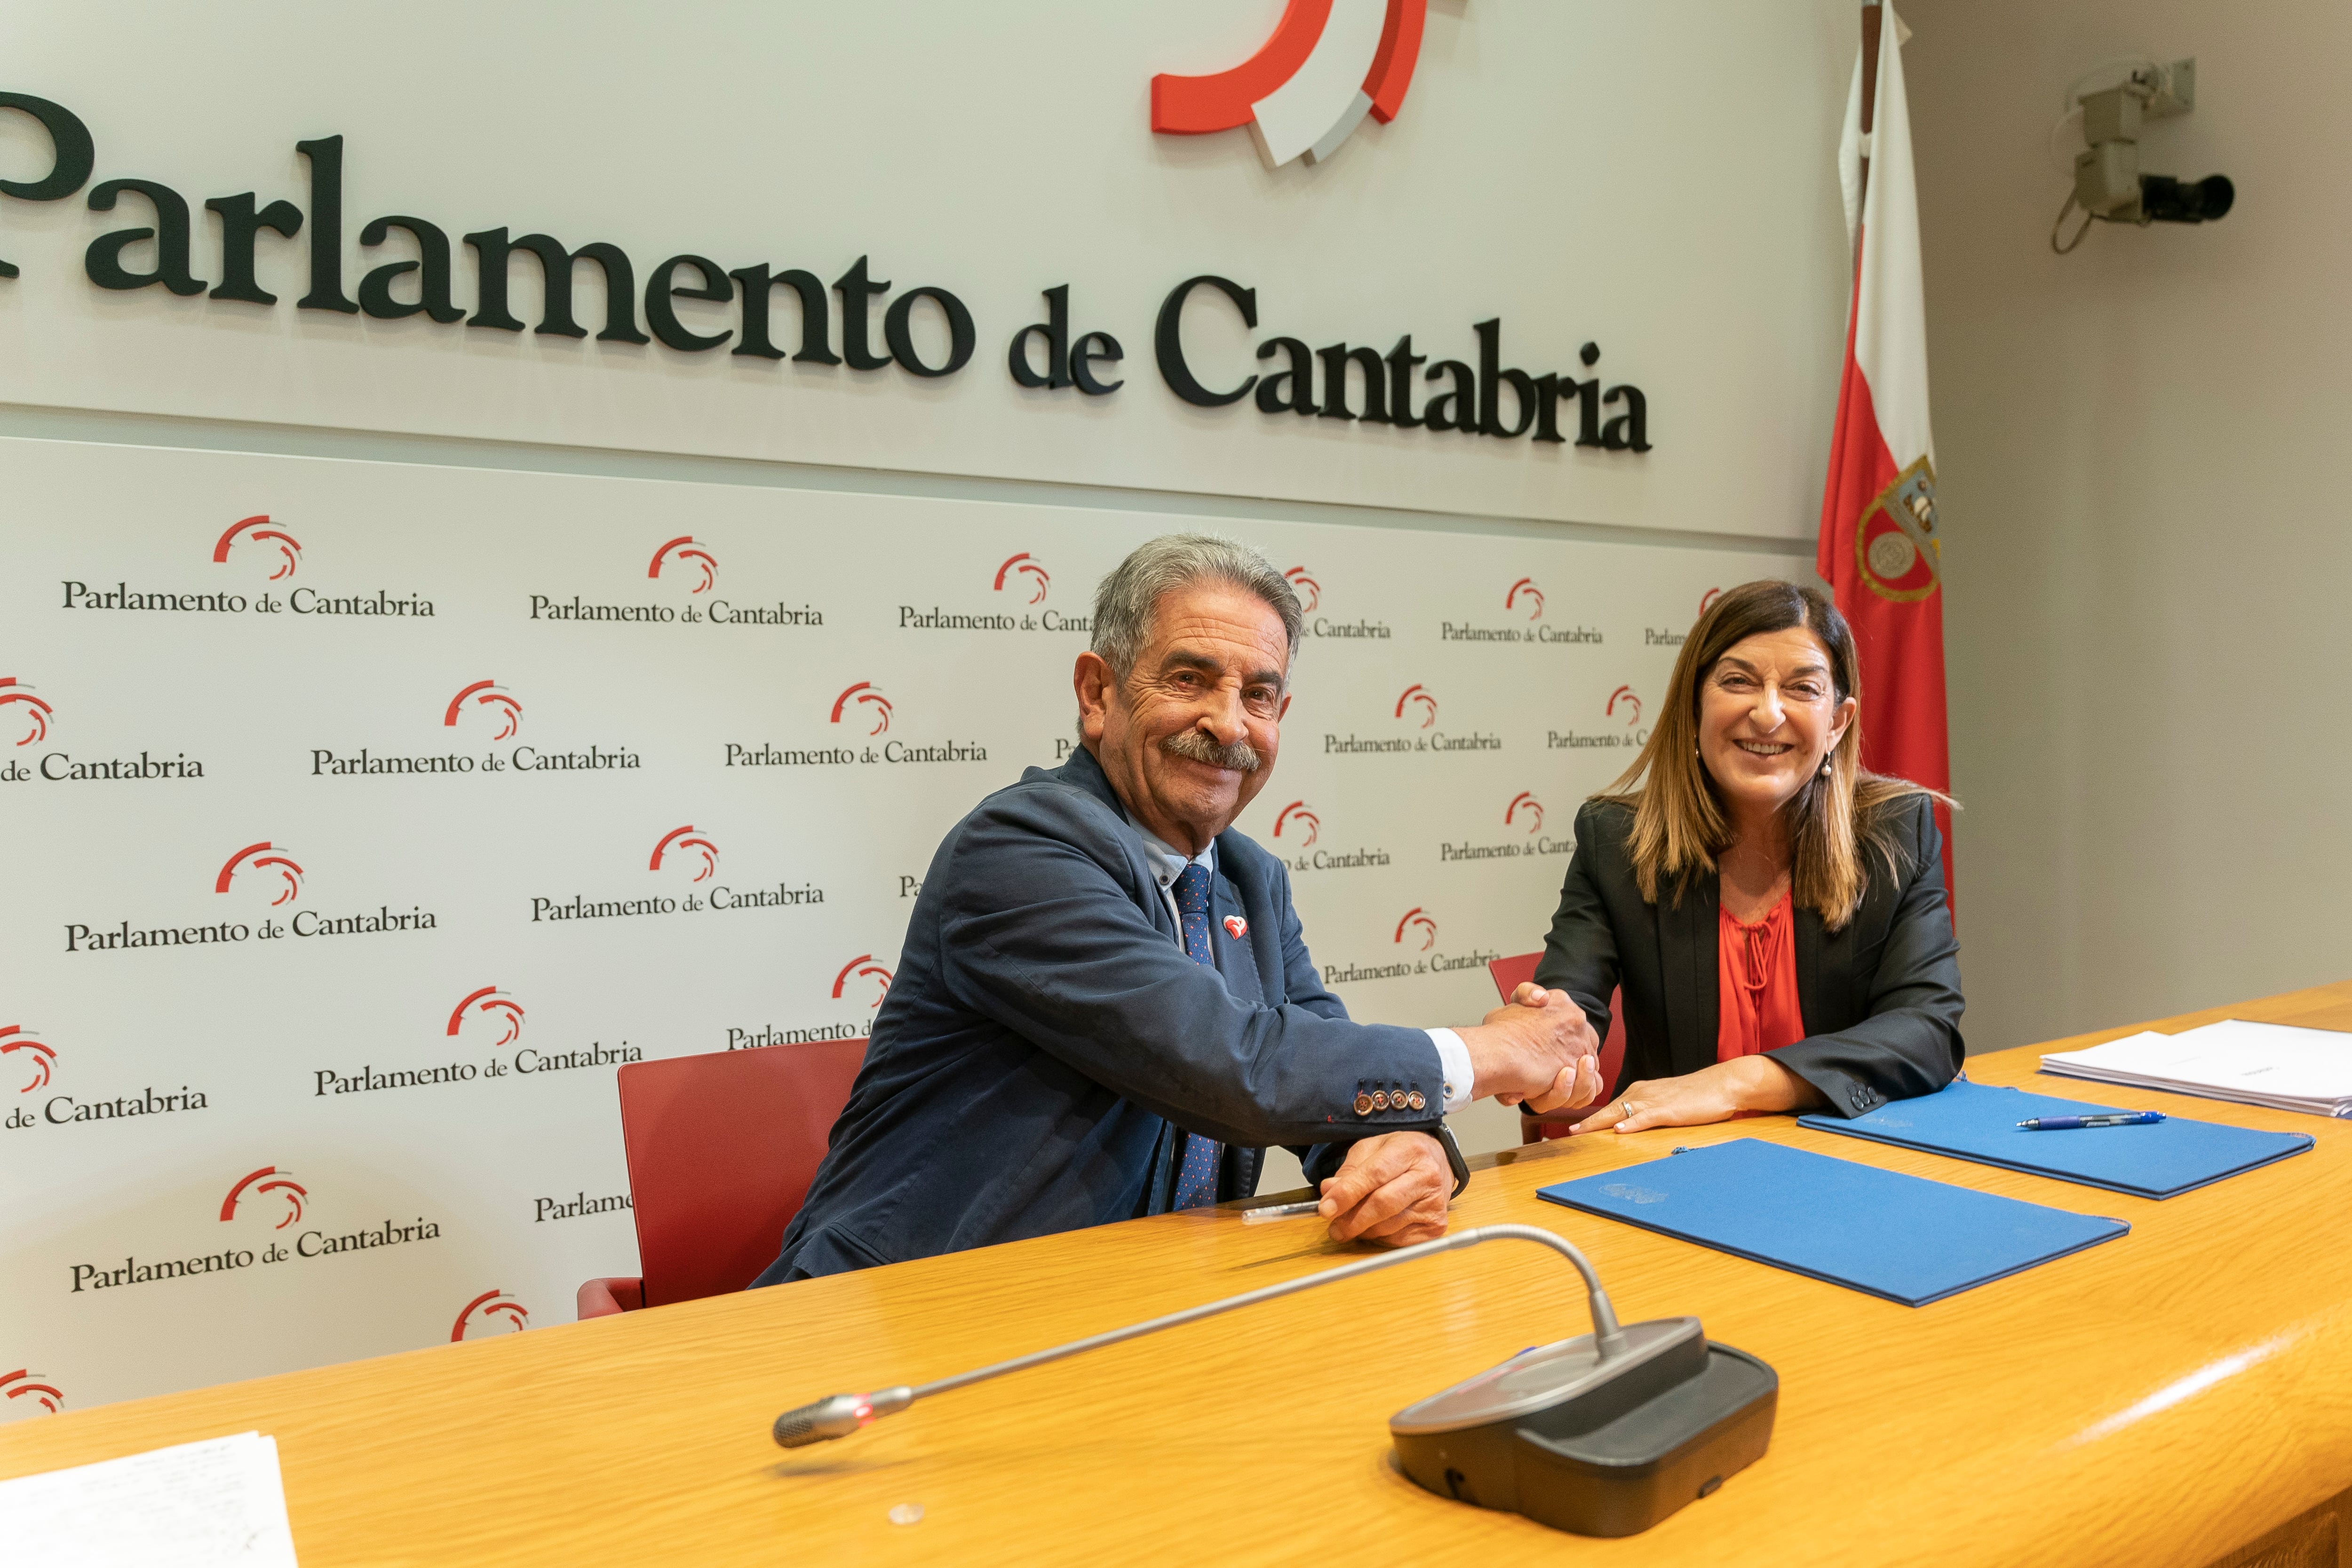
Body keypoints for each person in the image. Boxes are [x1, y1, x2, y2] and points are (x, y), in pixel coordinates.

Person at [753, 535, 1601, 1284]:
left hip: (1133, 1312)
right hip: (906, 1312)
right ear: (1098, 692)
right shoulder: (1016, 850)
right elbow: (1230, 1065)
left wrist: (1408, 1151)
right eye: (1190, 678)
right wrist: (1495, 1054)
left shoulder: (1247, 878)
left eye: (1259, 694)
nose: (1227, 723)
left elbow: (1320, 1066)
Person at [1529, 579, 1963, 1135]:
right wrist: (1538, 1048)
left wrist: (1733, 1082)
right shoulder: (1614, 838)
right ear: (1693, 704)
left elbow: (1928, 1029)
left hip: (1851, 1159)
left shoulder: (1894, 832)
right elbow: (1568, 1014)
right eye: (1737, 681)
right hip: (1671, 1168)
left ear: (1837, 722)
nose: (1767, 714)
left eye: (1802, 689)